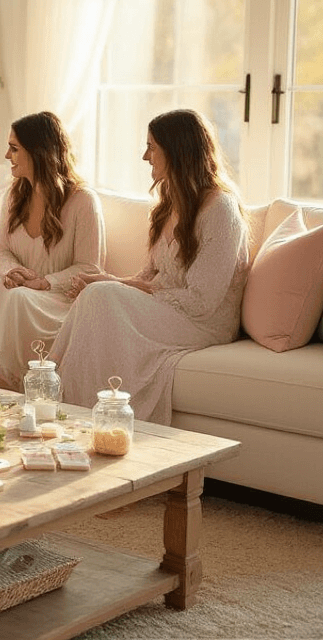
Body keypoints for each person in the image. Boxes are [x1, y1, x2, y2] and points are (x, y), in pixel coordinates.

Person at [49, 108, 249, 425]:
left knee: (102, 297)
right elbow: (149, 277)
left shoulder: (220, 209)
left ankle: (62, 406)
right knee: (97, 295)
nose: (145, 156)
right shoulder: (168, 202)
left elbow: (202, 301)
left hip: (204, 323)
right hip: (172, 310)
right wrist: (107, 280)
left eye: (152, 147)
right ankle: (63, 404)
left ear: (177, 151)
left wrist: (116, 288)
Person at [0, 112, 103, 388]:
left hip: (60, 299)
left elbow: (89, 268)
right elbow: (0, 251)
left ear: (38, 153)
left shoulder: (82, 201)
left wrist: (44, 282)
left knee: (18, 299)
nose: (6, 155)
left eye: (14, 148)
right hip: (23, 289)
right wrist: (13, 271)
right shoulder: (14, 196)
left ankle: (10, 384)